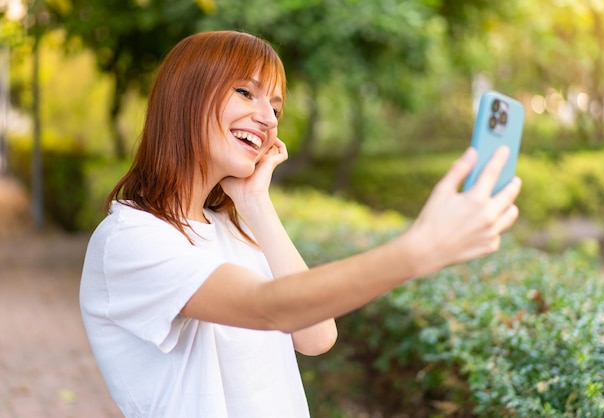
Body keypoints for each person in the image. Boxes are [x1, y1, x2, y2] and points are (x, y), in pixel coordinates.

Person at [80, 30, 522, 418]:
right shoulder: (132, 239)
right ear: (185, 97)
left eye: (276, 108)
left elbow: (315, 335)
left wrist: (255, 203)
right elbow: (270, 307)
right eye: (246, 93)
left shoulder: (231, 228)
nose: (269, 118)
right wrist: (418, 251)